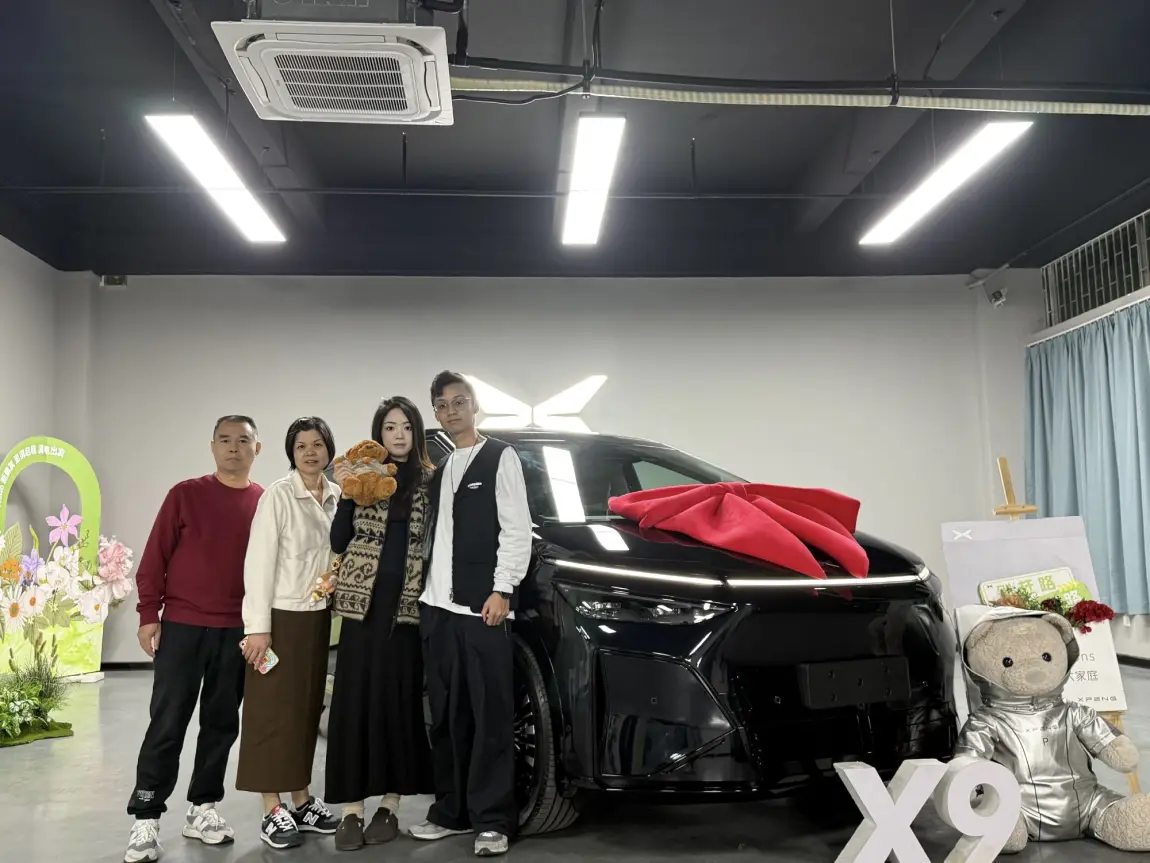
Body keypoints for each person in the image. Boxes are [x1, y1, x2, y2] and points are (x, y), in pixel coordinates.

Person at [124, 416, 264, 863]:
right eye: (225, 440)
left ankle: (203, 808)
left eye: (243, 440)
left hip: (236, 631)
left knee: (221, 724)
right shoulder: (184, 494)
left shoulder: (265, 503)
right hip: (182, 627)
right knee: (167, 722)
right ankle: (146, 816)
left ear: (257, 449)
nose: (233, 447)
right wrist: (149, 614)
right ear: (212, 446)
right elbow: (154, 557)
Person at [409, 371, 533, 858]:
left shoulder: (501, 457)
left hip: (481, 608)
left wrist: (503, 589)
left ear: (475, 405)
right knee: (446, 717)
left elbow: (516, 529)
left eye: (459, 402)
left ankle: (493, 820)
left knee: (490, 717)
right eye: (442, 405)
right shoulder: (440, 466)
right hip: (437, 609)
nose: (451, 411)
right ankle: (452, 811)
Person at [324, 396, 437, 851]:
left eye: (406, 426)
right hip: (360, 611)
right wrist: (347, 495)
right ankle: (351, 810)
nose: (398, 435)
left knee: (398, 707)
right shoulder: (362, 475)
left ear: (417, 432)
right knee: (352, 706)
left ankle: (390, 804)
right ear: (379, 433)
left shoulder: (430, 481)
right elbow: (338, 540)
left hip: (407, 613)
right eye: (390, 427)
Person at [236, 416, 342, 849]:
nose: (310, 452)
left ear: (329, 449)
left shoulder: (337, 497)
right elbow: (258, 564)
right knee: (270, 713)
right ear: (291, 454)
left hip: (317, 618)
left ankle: (301, 800)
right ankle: (272, 808)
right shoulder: (278, 496)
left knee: (305, 711)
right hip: (278, 620)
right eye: (302, 446)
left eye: (317, 444)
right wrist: (258, 629)